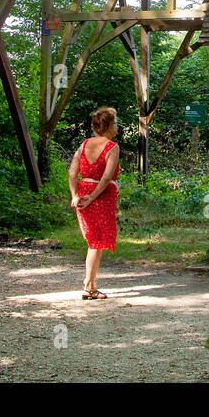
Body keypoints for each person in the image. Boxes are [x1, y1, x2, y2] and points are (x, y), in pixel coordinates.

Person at [69, 106, 121, 300]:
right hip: (101, 197)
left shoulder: (83, 145)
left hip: (82, 195)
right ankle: (89, 287)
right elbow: (107, 177)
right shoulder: (112, 147)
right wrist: (93, 196)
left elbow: (72, 172)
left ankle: (90, 284)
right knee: (96, 242)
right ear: (108, 126)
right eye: (115, 123)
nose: (117, 126)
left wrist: (75, 195)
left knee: (94, 241)